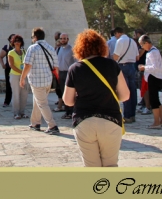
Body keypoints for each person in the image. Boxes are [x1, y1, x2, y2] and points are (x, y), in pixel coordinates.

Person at [63, 29, 130, 167]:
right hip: (110, 120)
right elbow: (125, 95)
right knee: (110, 166)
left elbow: (67, 101)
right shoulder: (112, 65)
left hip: (84, 121)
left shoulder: (75, 68)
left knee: (91, 167)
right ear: (102, 46)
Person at [20, 27, 60, 135]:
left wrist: (22, 78)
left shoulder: (32, 48)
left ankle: (52, 126)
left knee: (42, 103)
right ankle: (35, 123)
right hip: (48, 80)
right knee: (37, 101)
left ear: (35, 37)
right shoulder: (51, 48)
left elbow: (27, 65)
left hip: (37, 80)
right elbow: (56, 66)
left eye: (32, 37)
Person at [137, 35, 162, 129]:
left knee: (153, 100)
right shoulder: (154, 51)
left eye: (142, 45)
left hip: (153, 77)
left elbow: (155, 67)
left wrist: (144, 67)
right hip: (155, 77)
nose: (142, 47)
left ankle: (156, 122)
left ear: (146, 43)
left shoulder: (152, 53)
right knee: (157, 100)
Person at [112, 27, 139, 123]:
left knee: (125, 92)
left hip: (122, 67)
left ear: (118, 33)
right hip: (132, 66)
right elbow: (137, 57)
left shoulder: (120, 41)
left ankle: (127, 116)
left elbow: (115, 56)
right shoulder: (133, 41)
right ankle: (132, 115)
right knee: (133, 91)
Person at [7, 35, 29, 119]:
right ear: (13, 42)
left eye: (19, 41)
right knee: (16, 94)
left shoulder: (25, 52)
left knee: (24, 94)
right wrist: (22, 72)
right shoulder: (11, 53)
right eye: (15, 41)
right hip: (15, 75)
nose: (17, 42)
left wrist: (24, 73)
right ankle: (16, 113)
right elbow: (11, 65)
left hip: (24, 75)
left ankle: (22, 112)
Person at [56, 32, 76, 119]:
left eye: (64, 38)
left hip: (68, 73)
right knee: (63, 93)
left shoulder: (72, 49)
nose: (63, 40)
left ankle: (71, 112)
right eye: (61, 38)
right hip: (60, 73)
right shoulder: (58, 49)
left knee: (69, 93)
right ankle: (67, 112)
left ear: (68, 39)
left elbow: (76, 62)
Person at [134, 28, 149, 114]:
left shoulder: (143, 47)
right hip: (140, 68)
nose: (134, 36)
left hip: (143, 69)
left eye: (135, 34)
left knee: (144, 88)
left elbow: (138, 56)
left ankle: (146, 105)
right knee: (141, 88)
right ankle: (143, 104)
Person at [0, 34, 15, 108]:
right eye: (13, 38)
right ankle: (7, 101)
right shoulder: (7, 47)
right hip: (9, 69)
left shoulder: (20, 47)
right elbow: (0, 56)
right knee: (9, 85)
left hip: (18, 69)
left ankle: (18, 101)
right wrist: (2, 65)